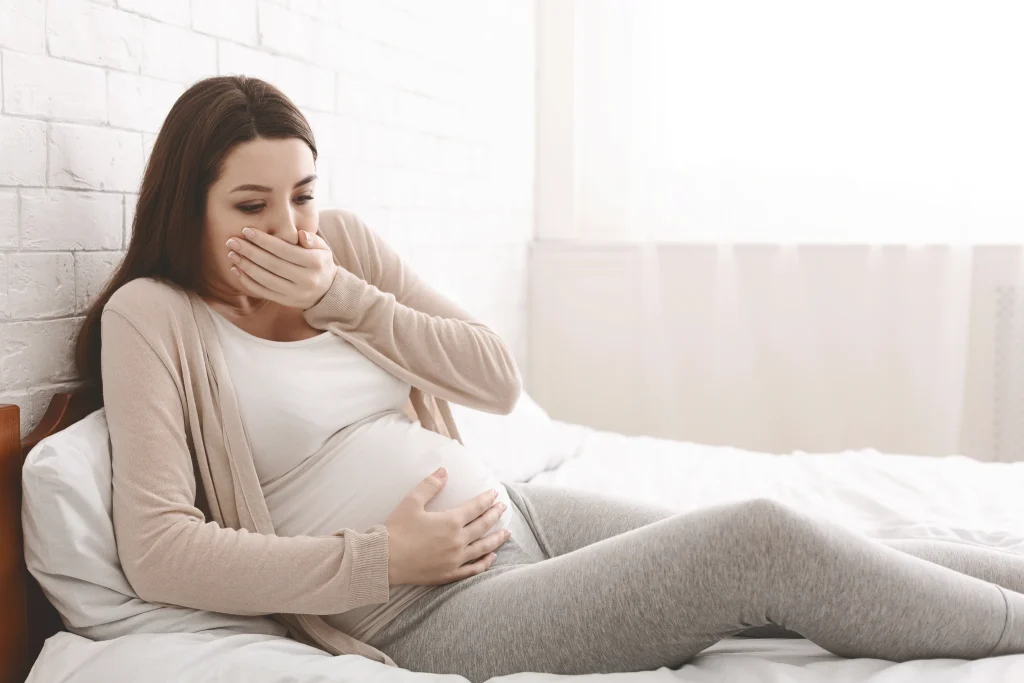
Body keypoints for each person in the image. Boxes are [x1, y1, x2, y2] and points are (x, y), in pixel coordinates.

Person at [75, 75, 1024, 683]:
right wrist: (378, 559)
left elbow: (493, 377)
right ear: (187, 208)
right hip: (422, 607)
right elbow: (161, 550)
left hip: (520, 515)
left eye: (304, 195)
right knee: (759, 541)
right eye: (252, 205)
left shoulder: (344, 252)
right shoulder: (153, 316)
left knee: (829, 541)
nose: (290, 229)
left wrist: (344, 299)